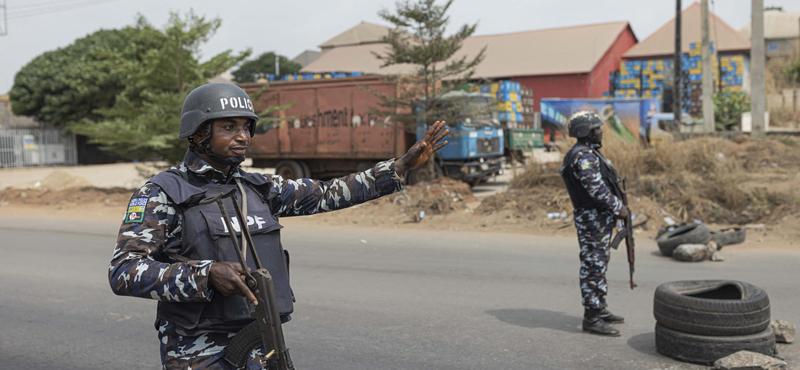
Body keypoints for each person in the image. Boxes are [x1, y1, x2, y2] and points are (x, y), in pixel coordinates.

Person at [108, 82, 448, 369]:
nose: (242, 137)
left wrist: (399, 167)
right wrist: (204, 274)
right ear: (198, 133)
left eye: (246, 127)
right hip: (197, 351)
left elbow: (327, 193)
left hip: (259, 342)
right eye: (229, 127)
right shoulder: (164, 193)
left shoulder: (259, 188)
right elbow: (124, 271)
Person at [559, 111, 629, 337]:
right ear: (584, 132)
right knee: (593, 266)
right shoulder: (583, 156)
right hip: (592, 218)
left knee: (598, 263)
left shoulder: (588, 153)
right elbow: (596, 190)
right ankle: (592, 317)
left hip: (597, 217)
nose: (601, 131)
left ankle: (599, 308)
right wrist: (619, 207)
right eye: (596, 128)